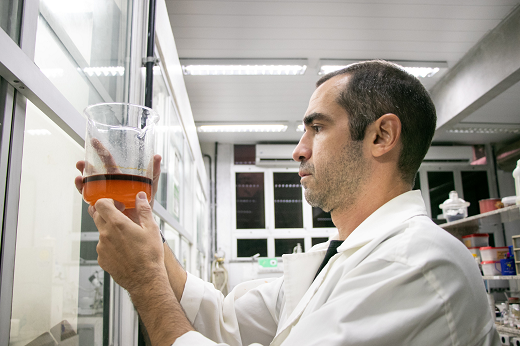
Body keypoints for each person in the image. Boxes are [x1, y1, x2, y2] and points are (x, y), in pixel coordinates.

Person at [76, 60, 500, 346]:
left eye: (317, 127)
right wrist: (143, 231)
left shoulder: (417, 265)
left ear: (381, 136)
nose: (298, 150)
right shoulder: (335, 259)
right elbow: (224, 319)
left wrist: (146, 282)